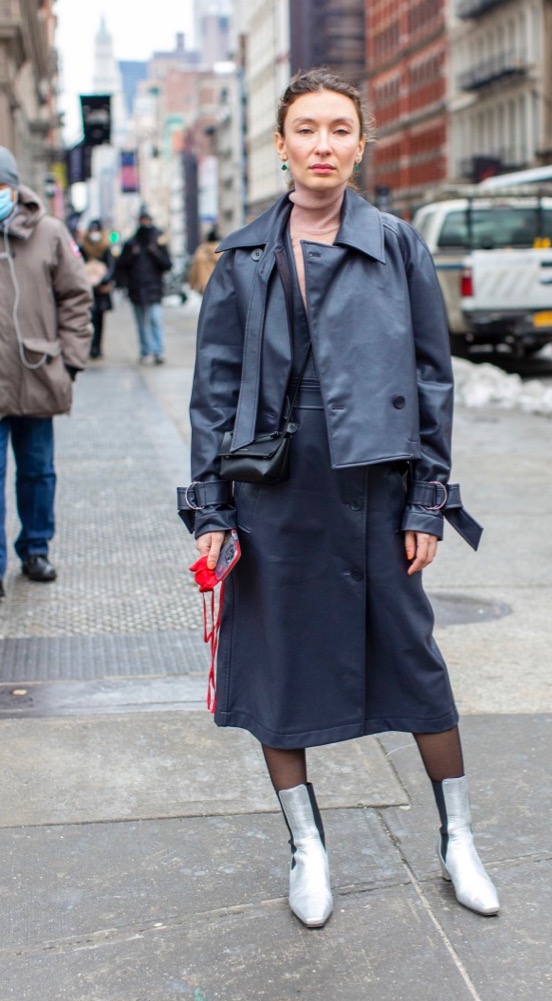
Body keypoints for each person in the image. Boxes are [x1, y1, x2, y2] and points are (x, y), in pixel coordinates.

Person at [178, 68, 499, 928]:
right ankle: (306, 846)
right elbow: (212, 397)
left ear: (362, 143)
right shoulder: (244, 256)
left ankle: (458, 837)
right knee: (275, 665)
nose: (323, 145)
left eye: (339, 129)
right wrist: (211, 512)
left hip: (375, 483)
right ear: (279, 144)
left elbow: (433, 381)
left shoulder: (396, 243)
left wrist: (427, 502)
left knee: (415, 661)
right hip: (270, 491)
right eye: (306, 130)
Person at [0, 146, 92, 595]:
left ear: (14, 187)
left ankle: (36, 549)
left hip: (37, 374)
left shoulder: (49, 232)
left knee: (38, 471)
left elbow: (76, 298)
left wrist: (71, 360)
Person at [115, 208, 171, 364]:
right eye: (142, 220)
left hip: (154, 288)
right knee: (141, 322)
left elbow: (167, 264)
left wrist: (156, 254)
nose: (145, 223)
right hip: (136, 289)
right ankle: (145, 350)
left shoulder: (158, 242)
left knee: (155, 319)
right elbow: (121, 266)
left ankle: (158, 350)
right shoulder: (131, 244)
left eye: (147, 220)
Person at [80, 219, 115, 359]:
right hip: (87, 288)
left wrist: (105, 281)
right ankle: (89, 346)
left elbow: (111, 267)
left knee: (99, 319)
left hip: (101, 290)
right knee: (88, 319)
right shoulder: (83, 248)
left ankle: (97, 347)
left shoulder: (105, 248)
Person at [187, 226, 220, 295]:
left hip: (203, 285)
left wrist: (192, 284)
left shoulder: (200, 251)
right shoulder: (221, 251)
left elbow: (194, 269)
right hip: (219, 285)